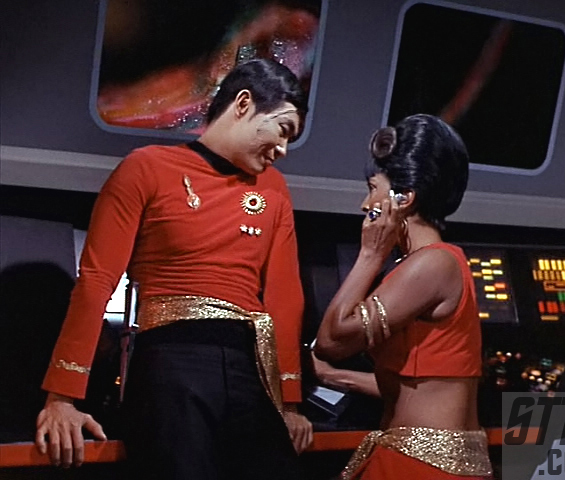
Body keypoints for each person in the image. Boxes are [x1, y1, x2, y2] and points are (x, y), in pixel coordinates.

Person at [35, 58, 313, 479]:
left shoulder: (274, 188)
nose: (283, 150)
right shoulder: (146, 168)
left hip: (251, 369)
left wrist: (289, 402)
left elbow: (285, 296)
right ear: (243, 104)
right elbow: (96, 281)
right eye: (283, 129)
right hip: (171, 365)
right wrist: (62, 398)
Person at [315, 114, 493, 479]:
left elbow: (332, 340)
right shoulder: (434, 264)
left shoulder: (433, 264)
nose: (365, 204)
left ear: (404, 198)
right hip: (432, 459)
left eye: (372, 188)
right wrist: (336, 378)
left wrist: (370, 255)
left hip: (419, 465)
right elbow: (418, 384)